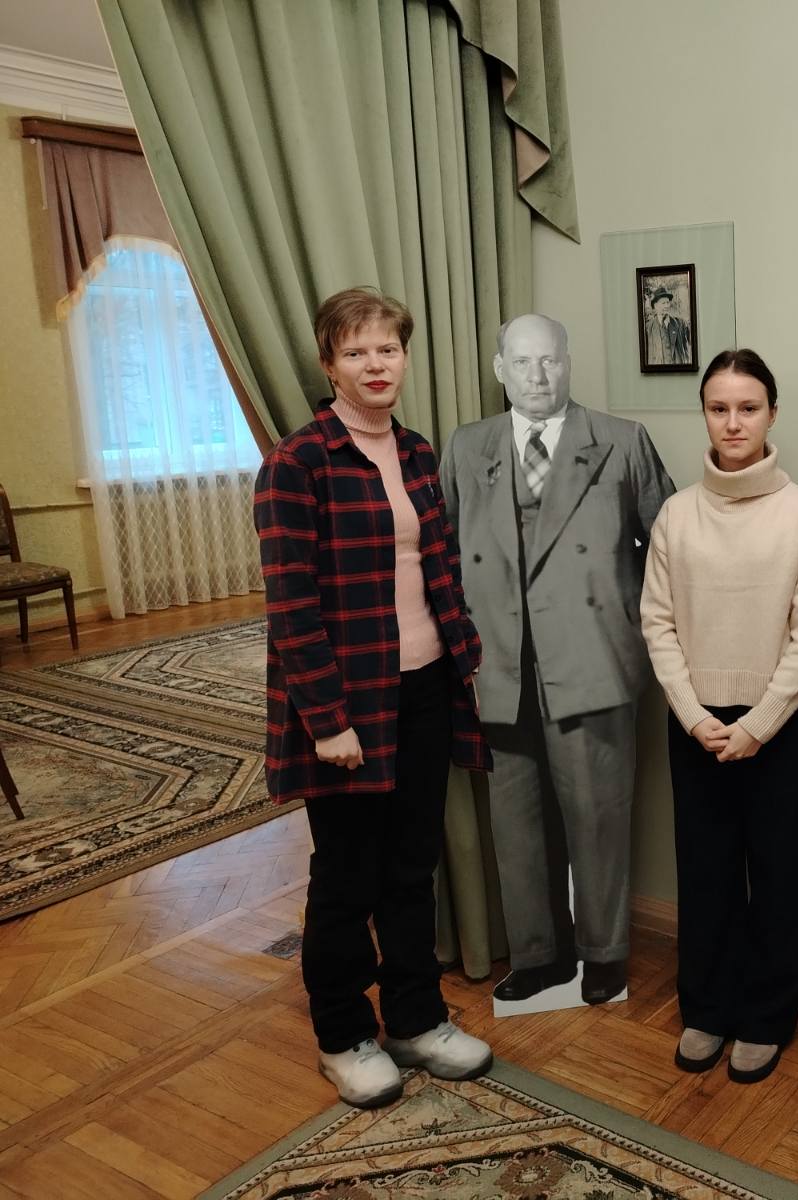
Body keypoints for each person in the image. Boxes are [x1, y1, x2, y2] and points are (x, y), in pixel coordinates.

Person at [254, 287, 493, 1109]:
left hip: (425, 688)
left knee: (411, 866)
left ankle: (416, 1021)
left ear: (404, 357)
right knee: (347, 878)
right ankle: (342, 1034)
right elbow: (291, 606)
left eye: (387, 348)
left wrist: (465, 655)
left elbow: (440, 569)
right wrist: (327, 721)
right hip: (346, 704)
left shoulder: (417, 453)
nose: (375, 364)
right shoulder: (297, 464)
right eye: (356, 352)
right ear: (330, 365)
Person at [440, 313, 675, 1007]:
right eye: (522, 362)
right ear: (499, 369)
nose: (537, 375)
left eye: (549, 360)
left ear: (568, 362)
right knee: (516, 823)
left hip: (593, 662)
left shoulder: (622, 441)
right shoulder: (467, 446)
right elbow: (443, 555)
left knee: (598, 817)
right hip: (500, 666)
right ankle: (539, 955)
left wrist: (632, 630)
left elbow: (671, 551)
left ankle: (604, 953)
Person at [639, 349, 798, 1084]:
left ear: (772, 414)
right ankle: (708, 1007)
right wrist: (693, 714)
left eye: (748, 407)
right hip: (697, 725)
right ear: (704, 415)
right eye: (718, 408)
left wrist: (759, 723)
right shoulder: (677, 513)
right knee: (706, 870)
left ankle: (767, 1017)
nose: (733, 422)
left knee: (777, 874)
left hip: (778, 727)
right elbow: (657, 622)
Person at [644, 287, 693, 366]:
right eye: (663, 303)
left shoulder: (681, 324)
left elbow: (691, 343)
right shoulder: (648, 328)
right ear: (655, 305)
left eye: (668, 302)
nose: (667, 306)